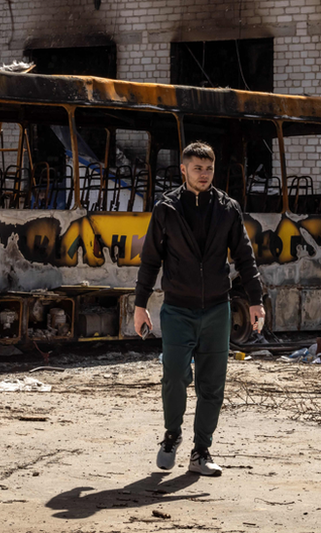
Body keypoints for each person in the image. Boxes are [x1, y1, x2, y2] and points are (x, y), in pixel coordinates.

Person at [134, 141, 265, 476]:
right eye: (197, 168)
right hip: (177, 308)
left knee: (212, 384)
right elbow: (150, 261)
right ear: (183, 170)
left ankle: (201, 451)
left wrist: (255, 301)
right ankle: (171, 436)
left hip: (216, 310)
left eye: (208, 169)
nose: (204, 175)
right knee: (174, 375)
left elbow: (245, 257)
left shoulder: (227, 209)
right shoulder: (167, 209)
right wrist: (140, 305)